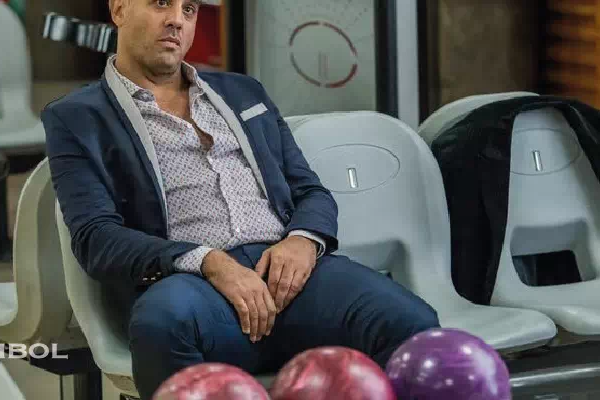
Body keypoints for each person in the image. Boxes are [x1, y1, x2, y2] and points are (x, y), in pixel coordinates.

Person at [41, 0, 440, 398]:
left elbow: (309, 190)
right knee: (162, 325)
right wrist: (208, 262)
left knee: (413, 324)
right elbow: (96, 238)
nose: (176, 20)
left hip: (289, 273)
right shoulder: (78, 116)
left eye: (189, 9)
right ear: (119, 9)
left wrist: (303, 240)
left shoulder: (243, 91)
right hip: (193, 286)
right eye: (161, 3)